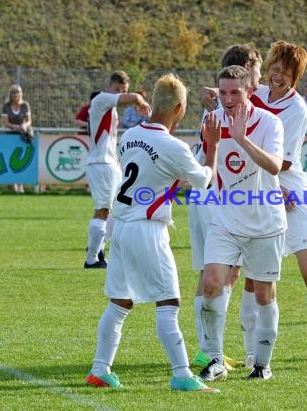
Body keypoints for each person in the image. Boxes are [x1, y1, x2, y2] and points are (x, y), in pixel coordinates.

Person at [85, 72, 220, 393]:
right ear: (178, 109)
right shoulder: (171, 145)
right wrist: (212, 147)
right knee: (169, 302)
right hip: (148, 229)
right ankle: (182, 374)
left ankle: (100, 369)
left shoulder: (131, 134)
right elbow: (205, 180)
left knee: (119, 303)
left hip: (121, 226)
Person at [249, 41, 307, 370]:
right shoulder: (252, 94)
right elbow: (224, 92)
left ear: (295, 76)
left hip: (290, 190)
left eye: (285, 72)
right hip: (257, 189)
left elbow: (283, 163)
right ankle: (250, 350)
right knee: (254, 279)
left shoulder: (297, 109)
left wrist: (279, 191)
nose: (278, 75)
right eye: (274, 68)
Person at [199, 65, 286, 381]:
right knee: (211, 283)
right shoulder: (211, 122)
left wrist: (241, 139)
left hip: (265, 223)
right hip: (225, 219)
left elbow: (275, 166)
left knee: (264, 295)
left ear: (250, 90)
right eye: (222, 92)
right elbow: (208, 175)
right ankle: (215, 360)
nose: (227, 98)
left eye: (234, 91)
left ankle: (262, 364)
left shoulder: (269, 123)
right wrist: (212, 146)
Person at [189, 43, 262, 371]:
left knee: (210, 273)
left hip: (202, 193)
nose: (261, 77)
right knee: (226, 273)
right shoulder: (240, 104)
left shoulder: (219, 100)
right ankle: (210, 350)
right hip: (219, 195)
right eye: (259, 69)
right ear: (248, 68)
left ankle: (206, 349)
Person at [83, 71, 150, 269]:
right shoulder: (101, 99)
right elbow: (135, 97)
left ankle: (99, 250)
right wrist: (139, 100)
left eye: (123, 90)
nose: (121, 94)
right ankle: (91, 258)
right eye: (118, 90)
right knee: (103, 210)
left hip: (110, 163)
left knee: (117, 210)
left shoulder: (109, 106)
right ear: (109, 87)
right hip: (100, 163)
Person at [1, 84, 35, 194]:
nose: (15, 95)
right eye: (13, 93)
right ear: (10, 94)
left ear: (20, 94)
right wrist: (16, 127)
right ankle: (13, 184)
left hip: (23, 136)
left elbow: (29, 121)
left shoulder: (25, 105)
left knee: (22, 159)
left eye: (17, 92)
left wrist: (24, 125)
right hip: (11, 135)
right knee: (11, 159)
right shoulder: (6, 106)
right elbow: (6, 122)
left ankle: (21, 184)